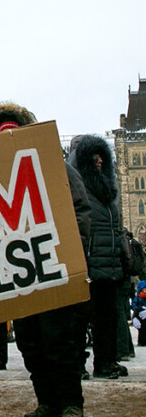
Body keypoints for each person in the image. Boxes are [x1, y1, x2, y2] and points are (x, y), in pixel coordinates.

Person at [0, 103, 93, 417]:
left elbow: (80, 210)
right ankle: (47, 401)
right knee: (29, 340)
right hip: (18, 273)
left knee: (58, 338)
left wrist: (71, 252)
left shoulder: (52, 164)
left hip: (52, 267)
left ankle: (72, 404)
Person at [69, 133, 128, 380]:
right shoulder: (77, 185)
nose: (100, 161)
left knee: (106, 318)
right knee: (78, 321)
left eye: (102, 156)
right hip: (88, 262)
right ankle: (76, 366)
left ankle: (105, 361)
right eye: (95, 157)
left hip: (109, 264)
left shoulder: (107, 189)